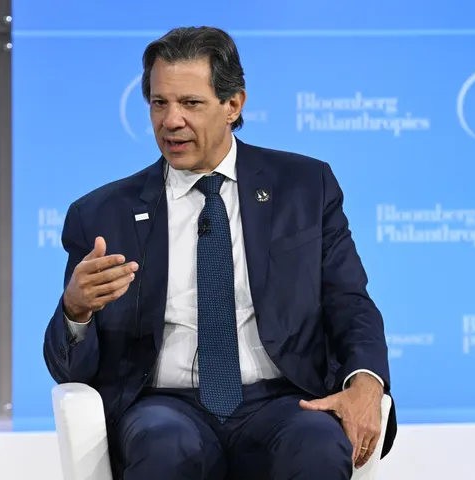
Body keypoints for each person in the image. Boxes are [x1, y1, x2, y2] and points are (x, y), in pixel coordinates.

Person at [43, 25, 396, 480]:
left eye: (190, 103)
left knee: (317, 444)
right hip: (165, 406)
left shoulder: (305, 188)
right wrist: (75, 311)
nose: (171, 121)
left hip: (283, 399)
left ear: (233, 105)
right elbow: (69, 370)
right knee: (163, 446)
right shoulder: (101, 215)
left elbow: (349, 301)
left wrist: (366, 380)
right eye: (159, 103)